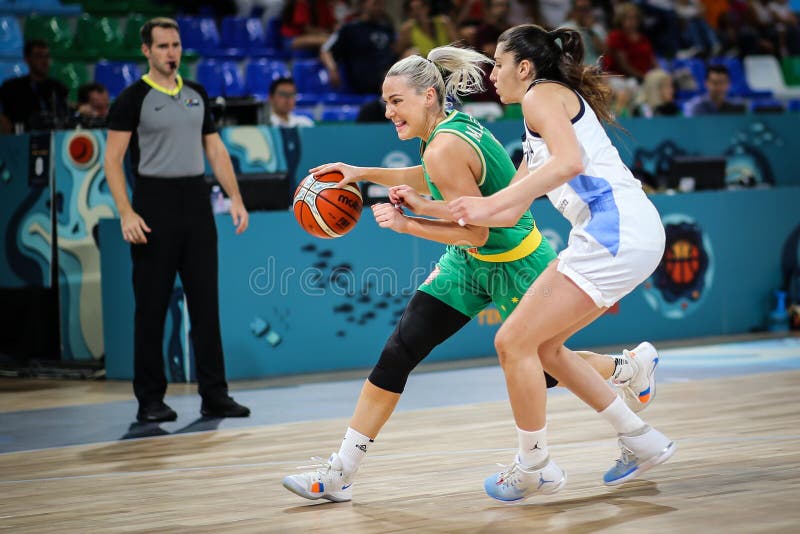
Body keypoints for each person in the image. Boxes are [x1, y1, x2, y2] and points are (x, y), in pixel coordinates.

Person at [281, 45, 661, 503]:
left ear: (426, 97)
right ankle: (342, 470)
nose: (387, 110)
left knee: (546, 366)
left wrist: (409, 225)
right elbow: (431, 176)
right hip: (469, 265)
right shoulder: (444, 130)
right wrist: (363, 173)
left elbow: (475, 234)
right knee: (399, 351)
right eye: (385, 101)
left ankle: (624, 369)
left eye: (395, 101)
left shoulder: (445, 144)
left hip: (514, 261)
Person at [448, 24, 676, 501]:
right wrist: (420, 209)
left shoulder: (541, 97)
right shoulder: (540, 113)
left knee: (512, 341)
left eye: (499, 62)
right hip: (624, 234)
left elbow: (569, 162)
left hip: (614, 232)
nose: (492, 73)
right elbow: (508, 207)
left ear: (525, 68)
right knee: (546, 349)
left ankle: (533, 465)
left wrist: (486, 208)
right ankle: (640, 437)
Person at [104, 17, 251, 423]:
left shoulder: (197, 94)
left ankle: (215, 395)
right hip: (153, 204)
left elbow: (217, 152)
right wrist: (126, 211)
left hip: (196, 203)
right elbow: (112, 161)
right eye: (163, 46)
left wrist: (235, 198)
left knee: (206, 304)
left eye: (176, 45)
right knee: (151, 308)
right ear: (146, 51)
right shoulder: (132, 98)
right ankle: (150, 399)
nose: (172, 53)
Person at [320, 0, 397, 94]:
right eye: (375, 4)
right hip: (365, 82)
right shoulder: (349, 28)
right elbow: (325, 50)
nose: (379, 8)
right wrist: (332, 68)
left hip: (389, 77)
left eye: (382, 4)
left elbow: (395, 52)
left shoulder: (387, 28)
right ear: (363, 4)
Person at [0, 40, 69, 133]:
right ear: (27, 59)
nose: (45, 61)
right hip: (21, 139)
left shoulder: (58, 87)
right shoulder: (12, 87)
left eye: (47, 56)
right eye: (39, 56)